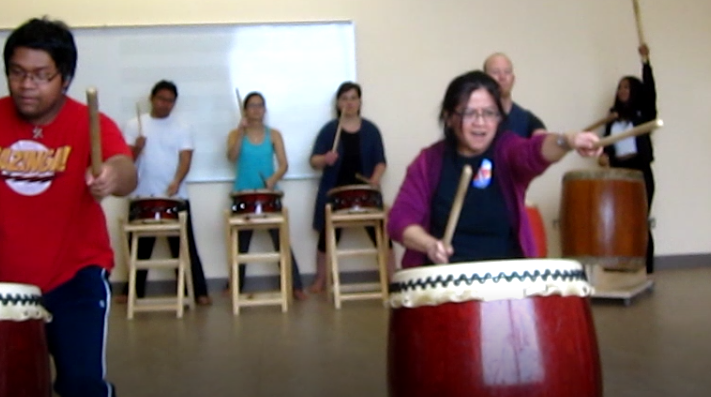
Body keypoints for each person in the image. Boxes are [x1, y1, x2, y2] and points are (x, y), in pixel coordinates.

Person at [0, 17, 137, 397]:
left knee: (81, 383)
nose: (26, 84)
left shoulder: (90, 123)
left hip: (74, 276)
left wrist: (112, 177)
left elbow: (125, 170)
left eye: (40, 76)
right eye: (17, 73)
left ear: (64, 78)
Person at [387, 70, 603, 267]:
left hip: (505, 274)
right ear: (449, 117)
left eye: (489, 113)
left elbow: (533, 152)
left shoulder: (506, 150)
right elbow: (400, 220)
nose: (480, 122)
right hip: (446, 277)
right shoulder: (429, 162)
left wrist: (567, 141)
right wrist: (429, 245)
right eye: (469, 113)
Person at [120, 80, 211, 306]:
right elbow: (124, 161)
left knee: (184, 245)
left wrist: (176, 181)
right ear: (152, 99)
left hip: (175, 195)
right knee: (138, 246)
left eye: (170, 101)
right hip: (141, 193)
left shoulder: (183, 126)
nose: (165, 104)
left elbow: (186, 158)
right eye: (161, 99)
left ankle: (198, 290)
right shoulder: (135, 125)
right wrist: (137, 148)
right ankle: (133, 291)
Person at [306, 82, 391, 294]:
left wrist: (374, 179)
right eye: (344, 98)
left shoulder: (371, 130)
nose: (349, 103)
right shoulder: (329, 130)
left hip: (365, 192)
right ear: (338, 103)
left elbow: (381, 161)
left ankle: (392, 279)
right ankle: (320, 280)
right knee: (326, 237)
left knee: (382, 234)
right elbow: (313, 161)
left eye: (353, 98)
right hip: (335, 192)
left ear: (360, 101)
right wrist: (325, 159)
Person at [226, 91, 307, 300]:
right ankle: (235, 284)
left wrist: (272, 179)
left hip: (268, 194)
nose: (256, 109)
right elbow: (231, 157)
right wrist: (240, 132)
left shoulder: (274, 134)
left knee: (280, 240)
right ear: (245, 110)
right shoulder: (235, 134)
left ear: (264, 109)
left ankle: (295, 285)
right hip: (243, 194)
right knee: (240, 244)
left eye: (260, 105)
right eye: (252, 105)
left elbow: (284, 164)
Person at [597, 43, 658, 273]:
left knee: (640, 220)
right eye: (620, 87)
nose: (622, 90)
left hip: (639, 171)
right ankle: (624, 265)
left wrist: (645, 62)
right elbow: (606, 147)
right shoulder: (612, 119)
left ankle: (646, 268)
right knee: (620, 220)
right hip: (619, 171)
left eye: (627, 87)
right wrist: (603, 156)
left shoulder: (643, 116)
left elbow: (651, 93)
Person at [483, 52, 548, 138]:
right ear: (483, 78)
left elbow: (542, 145)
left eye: (507, 72)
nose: (502, 77)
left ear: (513, 79)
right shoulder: (473, 119)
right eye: (495, 72)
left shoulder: (528, 121)